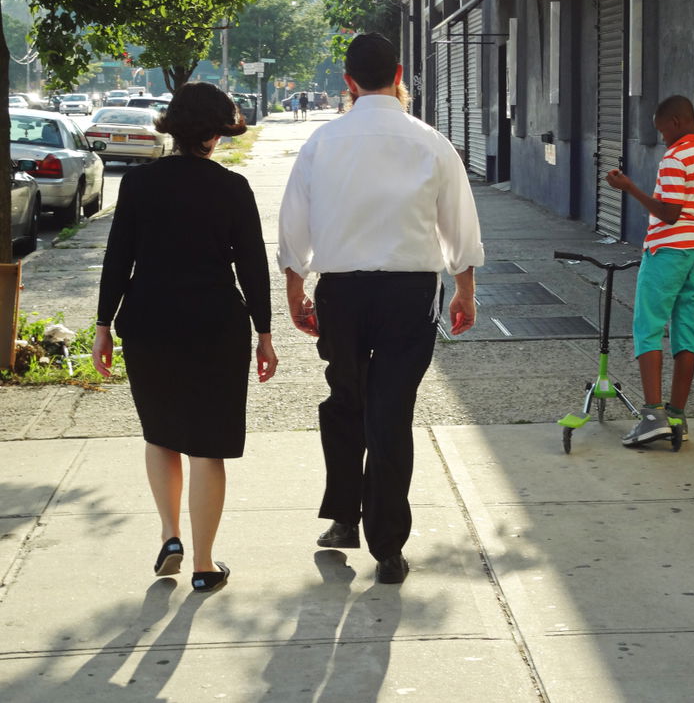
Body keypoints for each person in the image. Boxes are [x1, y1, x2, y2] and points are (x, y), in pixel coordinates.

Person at [277, 32, 484, 584]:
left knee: (345, 401)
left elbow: (294, 224)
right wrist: (464, 289)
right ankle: (388, 547)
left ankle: (345, 518)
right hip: (408, 295)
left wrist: (295, 289)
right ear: (398, 75)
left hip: (341, 293)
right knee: (391, 412)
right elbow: (459, 224)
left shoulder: (323, 143)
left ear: (348, 82)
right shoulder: (431, 142)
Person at [92, 82, 278, 593]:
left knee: (161, 434)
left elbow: (118, 258)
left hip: (149, 322)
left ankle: (169, 535)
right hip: (215, 326)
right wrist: (264, 332)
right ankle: (204, 564)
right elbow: (253, 266)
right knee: (207, 446)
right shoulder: (232, 188)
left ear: (171, 128)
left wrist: (104, 325)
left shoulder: (139, 184)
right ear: (216, 134)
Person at [605, 95, 694, 447]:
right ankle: (676, 416)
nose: (663, 138)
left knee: (649, 326)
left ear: (676, 122)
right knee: (687, 331)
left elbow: (670, 213)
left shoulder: (675, 157)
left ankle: (652, 416)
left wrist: (629, 188)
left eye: (662, 131)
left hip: (668, 250)